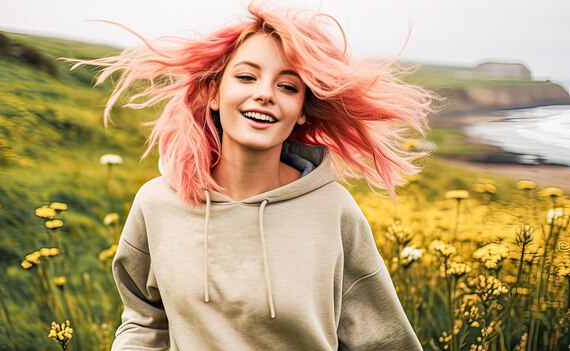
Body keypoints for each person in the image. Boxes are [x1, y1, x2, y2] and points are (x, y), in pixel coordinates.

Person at [68, 2, 432, 350]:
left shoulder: (333, 210)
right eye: (246, 77)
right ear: (213, 92)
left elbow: (383, 340)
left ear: (302, 111)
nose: (264, 95)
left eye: (288, 86)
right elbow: (143, 321)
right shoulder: (157, 204)